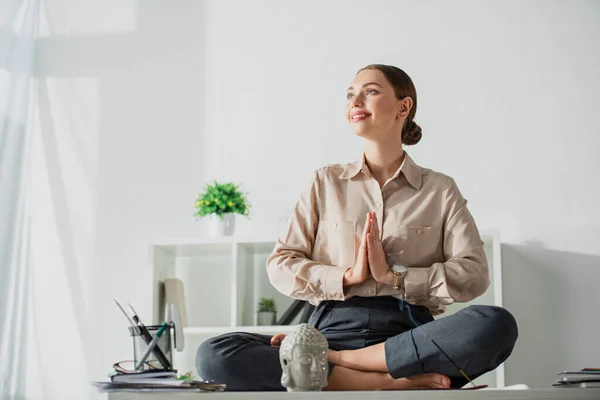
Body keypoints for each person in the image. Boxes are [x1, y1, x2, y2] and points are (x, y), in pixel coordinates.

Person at [196, 64, 518, 391]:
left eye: (370, 91)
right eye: (351, 94)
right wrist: (346, 277)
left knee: (496, 325)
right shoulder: (324, 182)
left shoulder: (440, 189)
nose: (355, 101)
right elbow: (281, 264)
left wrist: (396, 277)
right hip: (325, 332)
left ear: (403, 107)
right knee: (215, 355)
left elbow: (474, 273)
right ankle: (389, 383)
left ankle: (342, 365)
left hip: (408, 338)